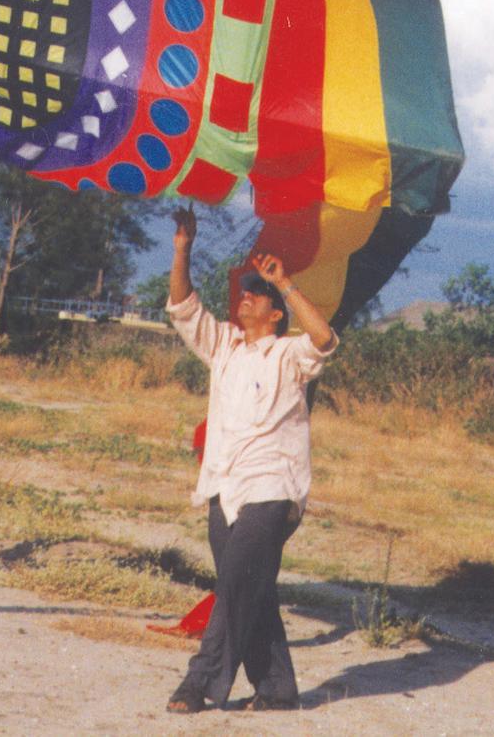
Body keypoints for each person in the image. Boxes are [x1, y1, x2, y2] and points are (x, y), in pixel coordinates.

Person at [165, 207, 337, 713]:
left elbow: (324, 339)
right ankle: (279, 687)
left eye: (254, 295)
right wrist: (182, 250)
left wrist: (285, 283)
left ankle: (198, 684)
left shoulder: (289, 354)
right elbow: (183, 308)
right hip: (225, 486)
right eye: (244, 291)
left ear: (274, 312)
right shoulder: (224, 346)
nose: (244, 298)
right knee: (251, 587)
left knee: (235, 582)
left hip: (272, 489)